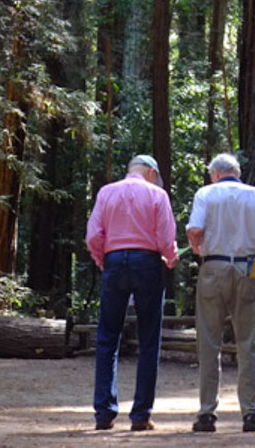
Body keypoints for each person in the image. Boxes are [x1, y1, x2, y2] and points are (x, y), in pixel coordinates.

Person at [187, 153, 255, 433]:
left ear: (215, 173)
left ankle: (206, 415)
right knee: (249, 342)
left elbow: (194, 229)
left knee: (209, 342)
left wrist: (197, 247)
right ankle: (251, 413)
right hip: (247, 268)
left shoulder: (206, 194)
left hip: (213, 266)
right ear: (236, 172)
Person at [85, 154, 178, 432]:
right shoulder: (157, 194)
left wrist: (103, 260)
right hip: (147, 262)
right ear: (151, 172)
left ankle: (104, 413)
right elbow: (165, 237)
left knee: (107, 338)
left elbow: (93, 235)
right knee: (149, 339)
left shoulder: (106, 192)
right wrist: (170, 258)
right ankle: (140, 415)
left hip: (114, 262)